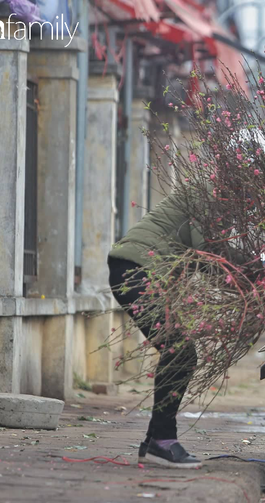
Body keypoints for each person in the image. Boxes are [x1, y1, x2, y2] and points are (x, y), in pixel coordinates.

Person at [108, 191, 215, 469]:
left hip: (136, 271)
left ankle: (154, 441)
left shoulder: (211, 194)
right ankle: (163, 441)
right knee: (180, 352)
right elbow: (211, 254)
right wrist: (259, 274)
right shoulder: (207, 199)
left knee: (178, 350)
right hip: (135, 272)